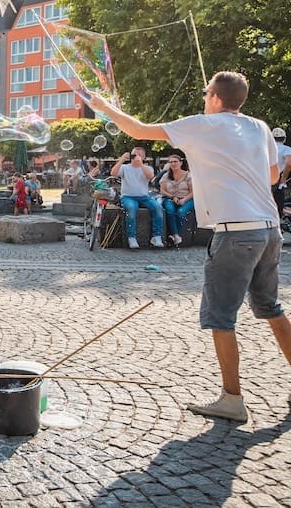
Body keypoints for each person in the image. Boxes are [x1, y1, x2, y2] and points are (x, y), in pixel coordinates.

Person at [90, 71, 291, 422]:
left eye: (205, 93)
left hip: (235, 232)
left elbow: (138, 130)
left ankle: (232, 399)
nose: (203, 98)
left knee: (220, 316)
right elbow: (273, 176)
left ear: (214, 96)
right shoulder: (259, 126)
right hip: (270, 229)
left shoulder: (202, 125)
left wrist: (103, 106)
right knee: (271, 307)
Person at [111, 146, 164, 249]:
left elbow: (150, 176)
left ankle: (156, 236)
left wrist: (141, 165)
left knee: (157, 207)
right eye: (134, 154)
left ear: (144, 157)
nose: (136, 157)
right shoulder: (125, 167)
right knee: (131, 208)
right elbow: (113, 173)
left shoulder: (147, 168)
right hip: (128, 197)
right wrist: (122, 159)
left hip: (144, 197)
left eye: (139, 155)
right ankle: (131, 237)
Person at [160, 153, 194, 246]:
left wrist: (184, 200)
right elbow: (162, 191)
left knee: (181, 212)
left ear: (181, 163)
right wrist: (172, 197)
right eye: (171, 162)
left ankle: (175, 235)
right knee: (170, 210)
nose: (173, 164)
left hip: (187, 198)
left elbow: (193, 192)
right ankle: (176, 235)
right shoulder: (166, 176)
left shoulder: (188, 175)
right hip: (170, 198)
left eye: (175, 162)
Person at [270, 128, 291, 215]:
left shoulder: (265, 148)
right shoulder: (286, 149)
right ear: (284, 138)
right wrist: (283, 179)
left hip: (263, 178)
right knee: (278, 203)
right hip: (277, 177)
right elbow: (289, 163)